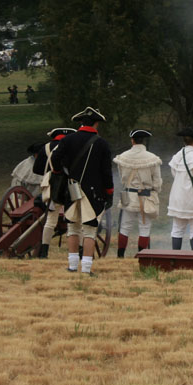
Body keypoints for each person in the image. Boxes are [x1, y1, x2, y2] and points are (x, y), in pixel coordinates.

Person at [50, 108, 113, 274]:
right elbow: (106, 172)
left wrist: (59, 172)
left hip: (71, 189)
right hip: (94, 192)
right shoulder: (101, 143)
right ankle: (86, 268)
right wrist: (109, 191)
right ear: (96, 123)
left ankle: (72, 266)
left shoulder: (68, 140)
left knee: (73, 228)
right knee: (90, 231)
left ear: (81, 123)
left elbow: (55, 159)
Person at [113, 129, 162, 257]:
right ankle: (142, 256)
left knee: (124, 227)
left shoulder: (123, 157)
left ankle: (120, 255)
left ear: (132, 140)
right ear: (143, 141)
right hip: (145, 197)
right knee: (144, 228)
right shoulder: (152, 158)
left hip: (128, 196)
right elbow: (157, 181)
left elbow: (122, 178)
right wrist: (155, 191)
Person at [33, 127, 75, 258]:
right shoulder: (71, 147)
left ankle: (44, 251)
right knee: (73, 218)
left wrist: (49, 173)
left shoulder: (46, 148)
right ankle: (75, 251)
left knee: (50, 220)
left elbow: (37, 169)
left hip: (52, 185)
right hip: (70, 185)